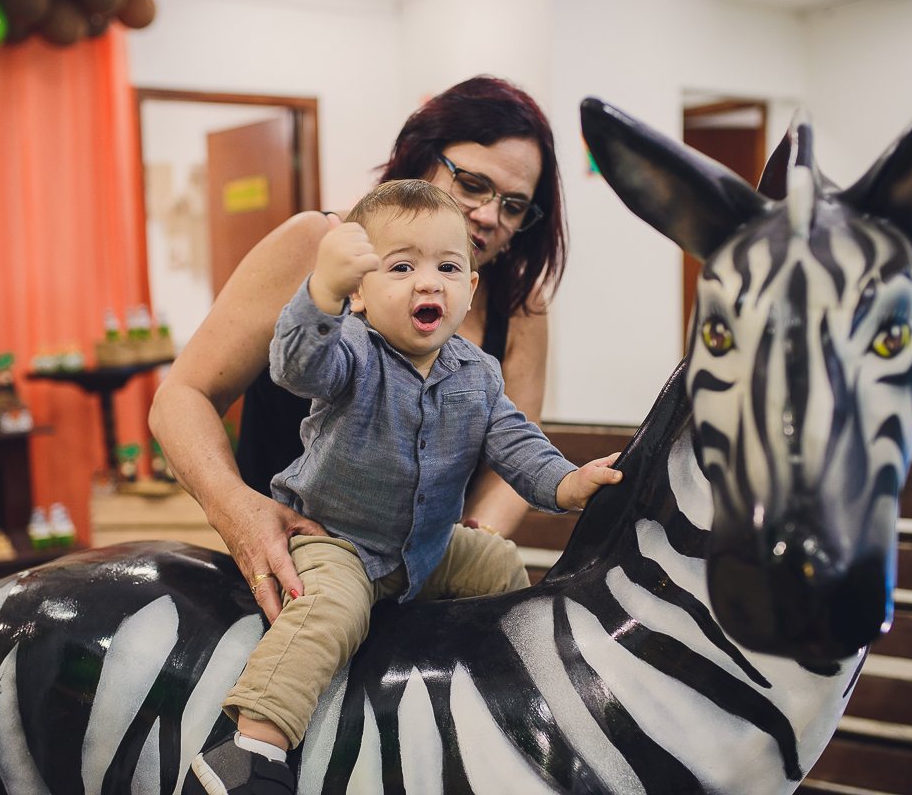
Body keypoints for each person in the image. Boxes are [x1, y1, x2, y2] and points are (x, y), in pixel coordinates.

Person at [188, 181, 621, 794]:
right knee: (327, 615)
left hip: (424, 547)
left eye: (448, 267)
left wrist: (567, 482)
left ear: (469, 289)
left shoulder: (478, 373)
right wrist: (321, 293)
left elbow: (516, 444)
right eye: (401, 267)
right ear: (360, 293)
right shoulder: (350, 353)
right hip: (335, 541)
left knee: (497, 562)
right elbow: (293, 366)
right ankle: (251, 750)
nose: (428, 282)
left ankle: (503, 692)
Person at [150, 76, 567, 624]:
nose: (490, 215)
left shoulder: (519, 305)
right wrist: (240, 512)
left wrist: (469, 545)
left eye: (514, 205)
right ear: (417, 161)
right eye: (471, 184)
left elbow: (515, 438)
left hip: (417, 588)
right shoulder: (314, 246)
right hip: (295, 580)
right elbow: (180, 398)